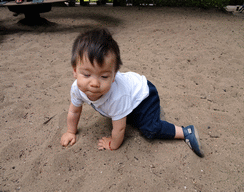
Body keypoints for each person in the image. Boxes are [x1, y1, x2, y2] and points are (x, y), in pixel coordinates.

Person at [60, 28, 204, 157]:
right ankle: (133, 113)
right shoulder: (76, 88)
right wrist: (71, 132)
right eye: (86, 75)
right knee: (123, 116)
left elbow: (120, 128)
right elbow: (74, 111)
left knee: (149, 129)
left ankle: (186, 132)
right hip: (129, 96)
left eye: (104, 76)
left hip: (144, 96)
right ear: (75, 71)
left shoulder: (117, 97)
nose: (94, 83)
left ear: (114, 76)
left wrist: (113, 143)